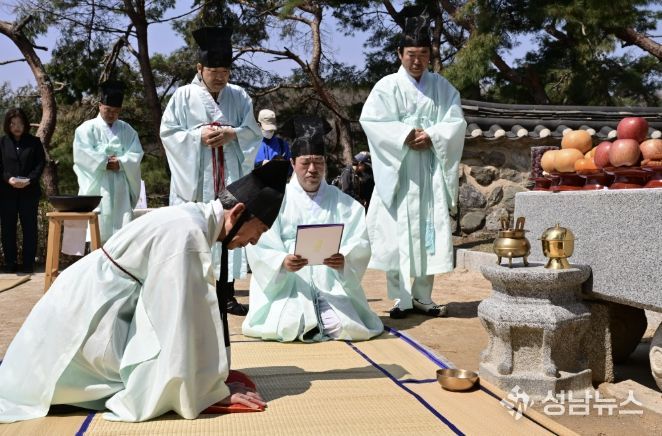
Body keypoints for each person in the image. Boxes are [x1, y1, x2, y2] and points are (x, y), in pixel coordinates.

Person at [0, 160, 289, 423]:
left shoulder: (192, 219)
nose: (254, 241)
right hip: (88, 318)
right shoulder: (188, 234)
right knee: (137, 383)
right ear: (237, 212)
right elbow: (177, 322)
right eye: (260, 230)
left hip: (87, 297)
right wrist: (206, 390)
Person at [359, 16, 466, 319]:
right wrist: (405, 134)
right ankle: (400, 298)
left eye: (423, 55)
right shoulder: (386, 87)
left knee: (429, 231)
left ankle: (423, 296)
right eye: (411, 54)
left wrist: (432, 135)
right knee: (396, 235)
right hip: (400, 170)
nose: (416, 61)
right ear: (399, 54)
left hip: (429, 169)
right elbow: (372, 121)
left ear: (430, 55)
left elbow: (456, 122)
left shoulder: (442, 87)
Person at [242, 118, 383, 342]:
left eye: (318, 162)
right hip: (290, 282)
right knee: (288, 325)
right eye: (305, 162)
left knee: (344, 326)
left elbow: (359, 242)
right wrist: (281, 262)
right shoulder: (275, 200)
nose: (312, 169)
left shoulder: (345, 204)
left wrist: (344, 259)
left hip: (331, 281)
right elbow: (260, 243)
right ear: (292, 163)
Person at [161, 26, 261, 317]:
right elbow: (168, 134)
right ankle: (193, 294)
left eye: (224, 71)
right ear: (199, 68)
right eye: (213, 71)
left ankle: (227, 294)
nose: (219, 77)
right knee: (196, 230)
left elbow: (253, 132)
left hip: (229, 175)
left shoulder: (239, 96)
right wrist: (197, 136)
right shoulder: (182, 96)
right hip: (197, 179)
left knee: (229, 226)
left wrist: (232, 134)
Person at [73, 80, 144, 243]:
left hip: (120, 185)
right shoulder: (86, 128)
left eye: (116, 111)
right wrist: (103, 162)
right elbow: (81, 153)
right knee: (98, 226)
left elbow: (136, 153)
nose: (112, 114)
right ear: (100, 106)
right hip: (98, 185)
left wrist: (122, 162)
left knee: (122, 231)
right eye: (108, 110)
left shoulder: (127, 130)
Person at [0, 108, 45, 274]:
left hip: (29, 192)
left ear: (25, 124)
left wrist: (29, 180)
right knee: (7, 228)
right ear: (8, 125)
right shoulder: (2, 143)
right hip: (6, 192)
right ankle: (10, 263)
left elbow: (40, 164)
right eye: (12, 124)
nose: (16, 127)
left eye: (19, 123)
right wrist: (9, 179)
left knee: (30, 228)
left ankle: (28, 263)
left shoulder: (35, 142)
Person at [254, 109, 292, 176]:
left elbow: (290, 169)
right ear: (259, 125)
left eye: (271, 130)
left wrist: (283, 166)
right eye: (267, 129)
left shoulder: (282, 145)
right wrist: (260, 165)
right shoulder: (250, 145)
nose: (270, 132)